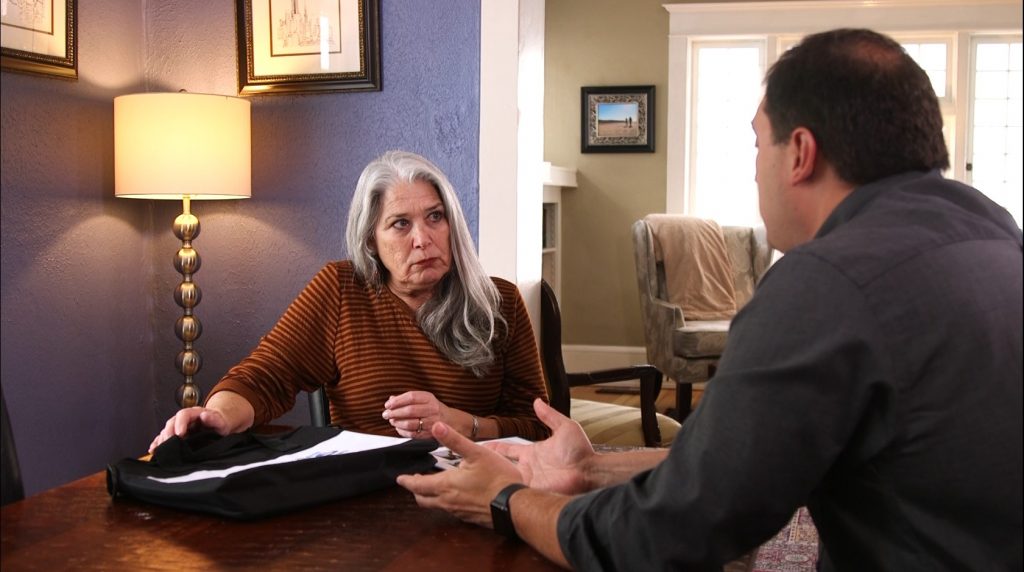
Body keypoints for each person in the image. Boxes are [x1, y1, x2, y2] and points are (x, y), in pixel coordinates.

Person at [397, 28, 1024, 570]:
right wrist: (588, 472)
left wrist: (507, 501)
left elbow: (664, 539)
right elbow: (742, 469)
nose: (755, 169)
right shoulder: (996, 234)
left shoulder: (827, 284)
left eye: (758, 144)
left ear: (800, 153)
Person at [150, 150, 551, 452]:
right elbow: (266, 376)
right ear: (370, 240)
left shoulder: (500, 302)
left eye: (435, 217)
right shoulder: (340, 288)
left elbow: (539, 428)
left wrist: (460, 425)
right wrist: (217, 415)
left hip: (471, 483)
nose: (422, 238)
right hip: (366, 492)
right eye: (400, 223)